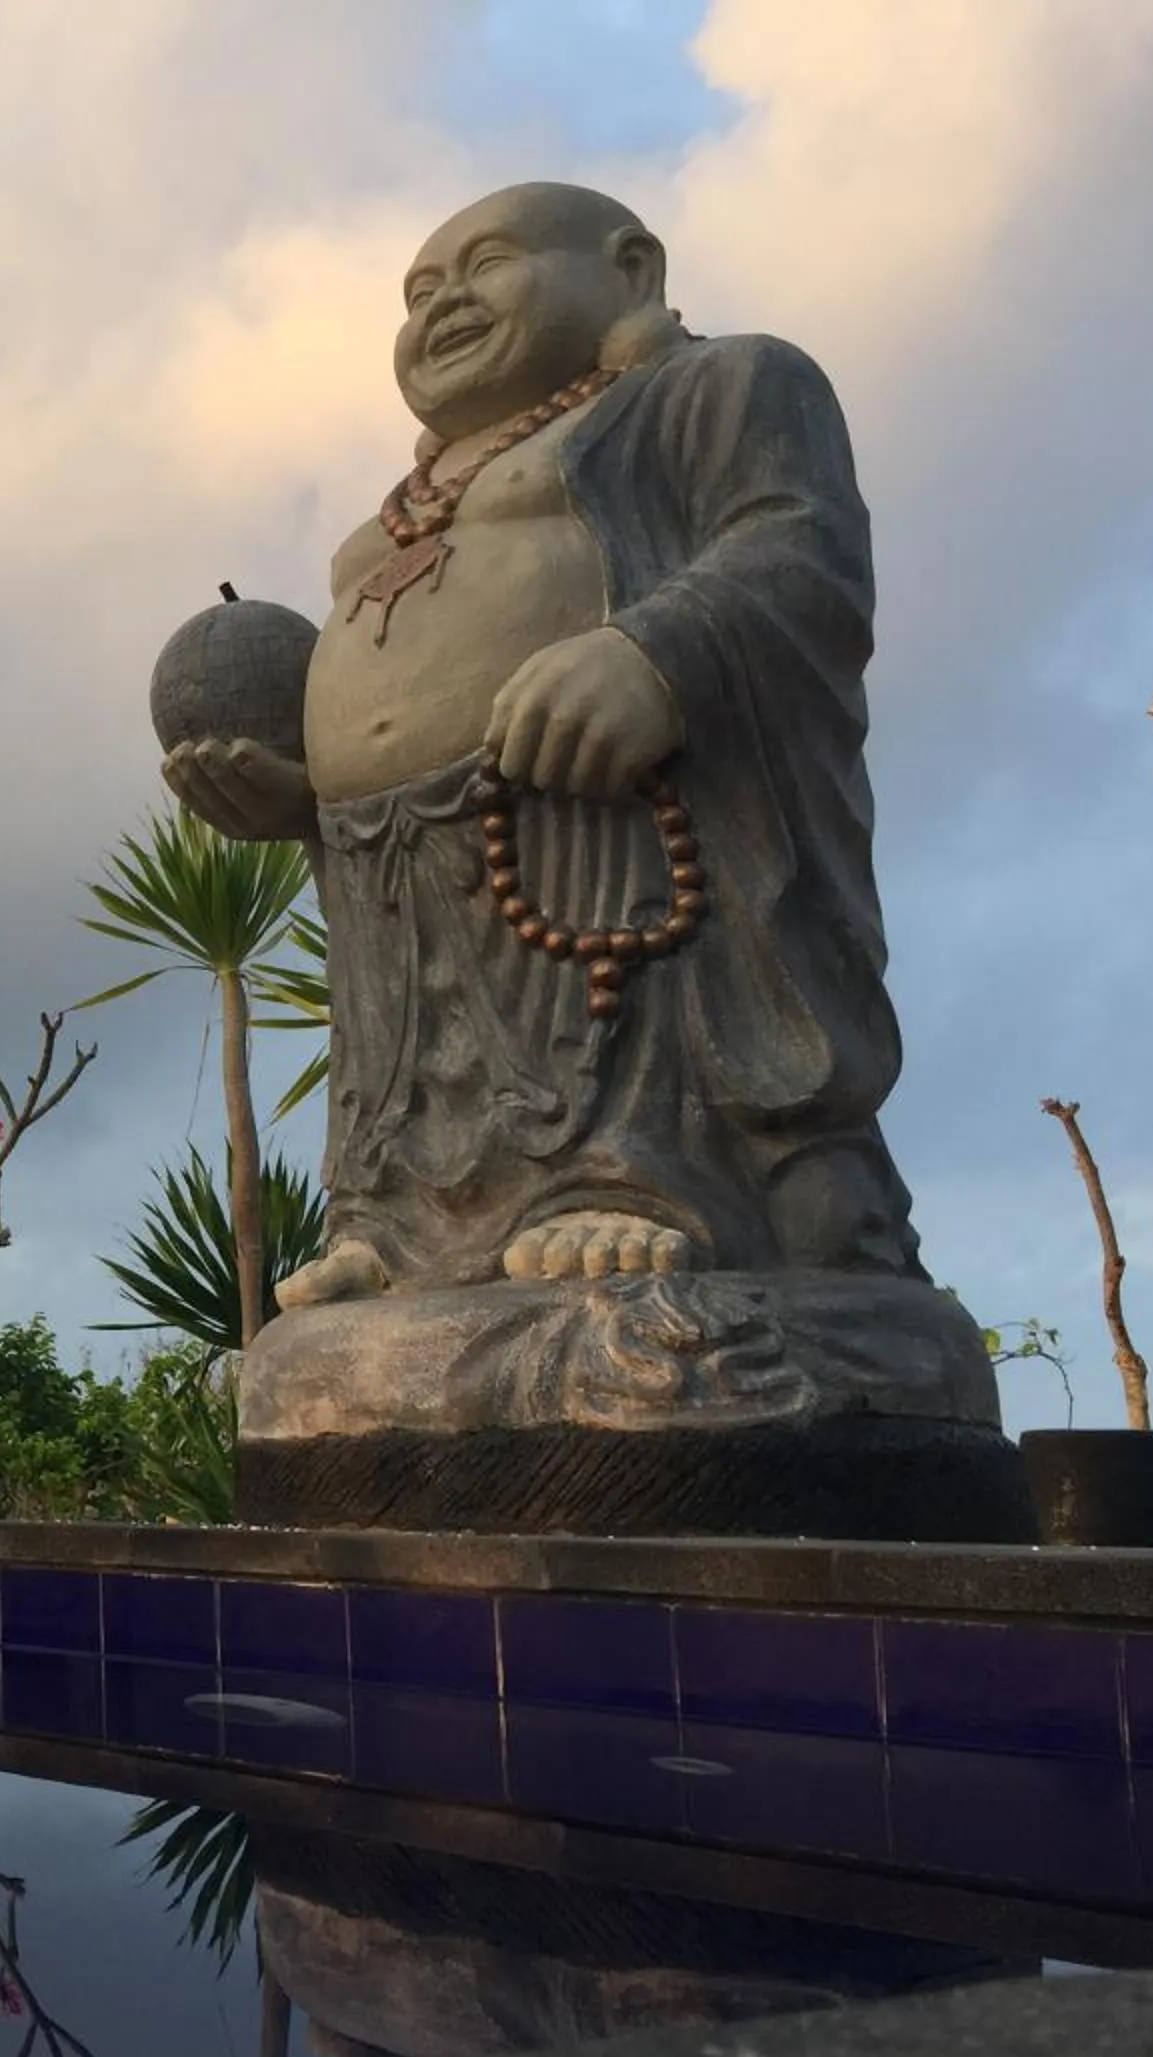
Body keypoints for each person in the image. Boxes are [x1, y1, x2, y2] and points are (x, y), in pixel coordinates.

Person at [166, 181, 923, 1307]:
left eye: (486, 265)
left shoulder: (719, 384)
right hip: (399, 858)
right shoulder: (419, 491)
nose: (442, 305)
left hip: (602, 808)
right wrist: (308, 799)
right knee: (406, 1029)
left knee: (608, 961)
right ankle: (404, 1220)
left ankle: (642, 1180)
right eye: (419, 292)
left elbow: (801, 549)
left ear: (633, 270)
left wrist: (658, 653)